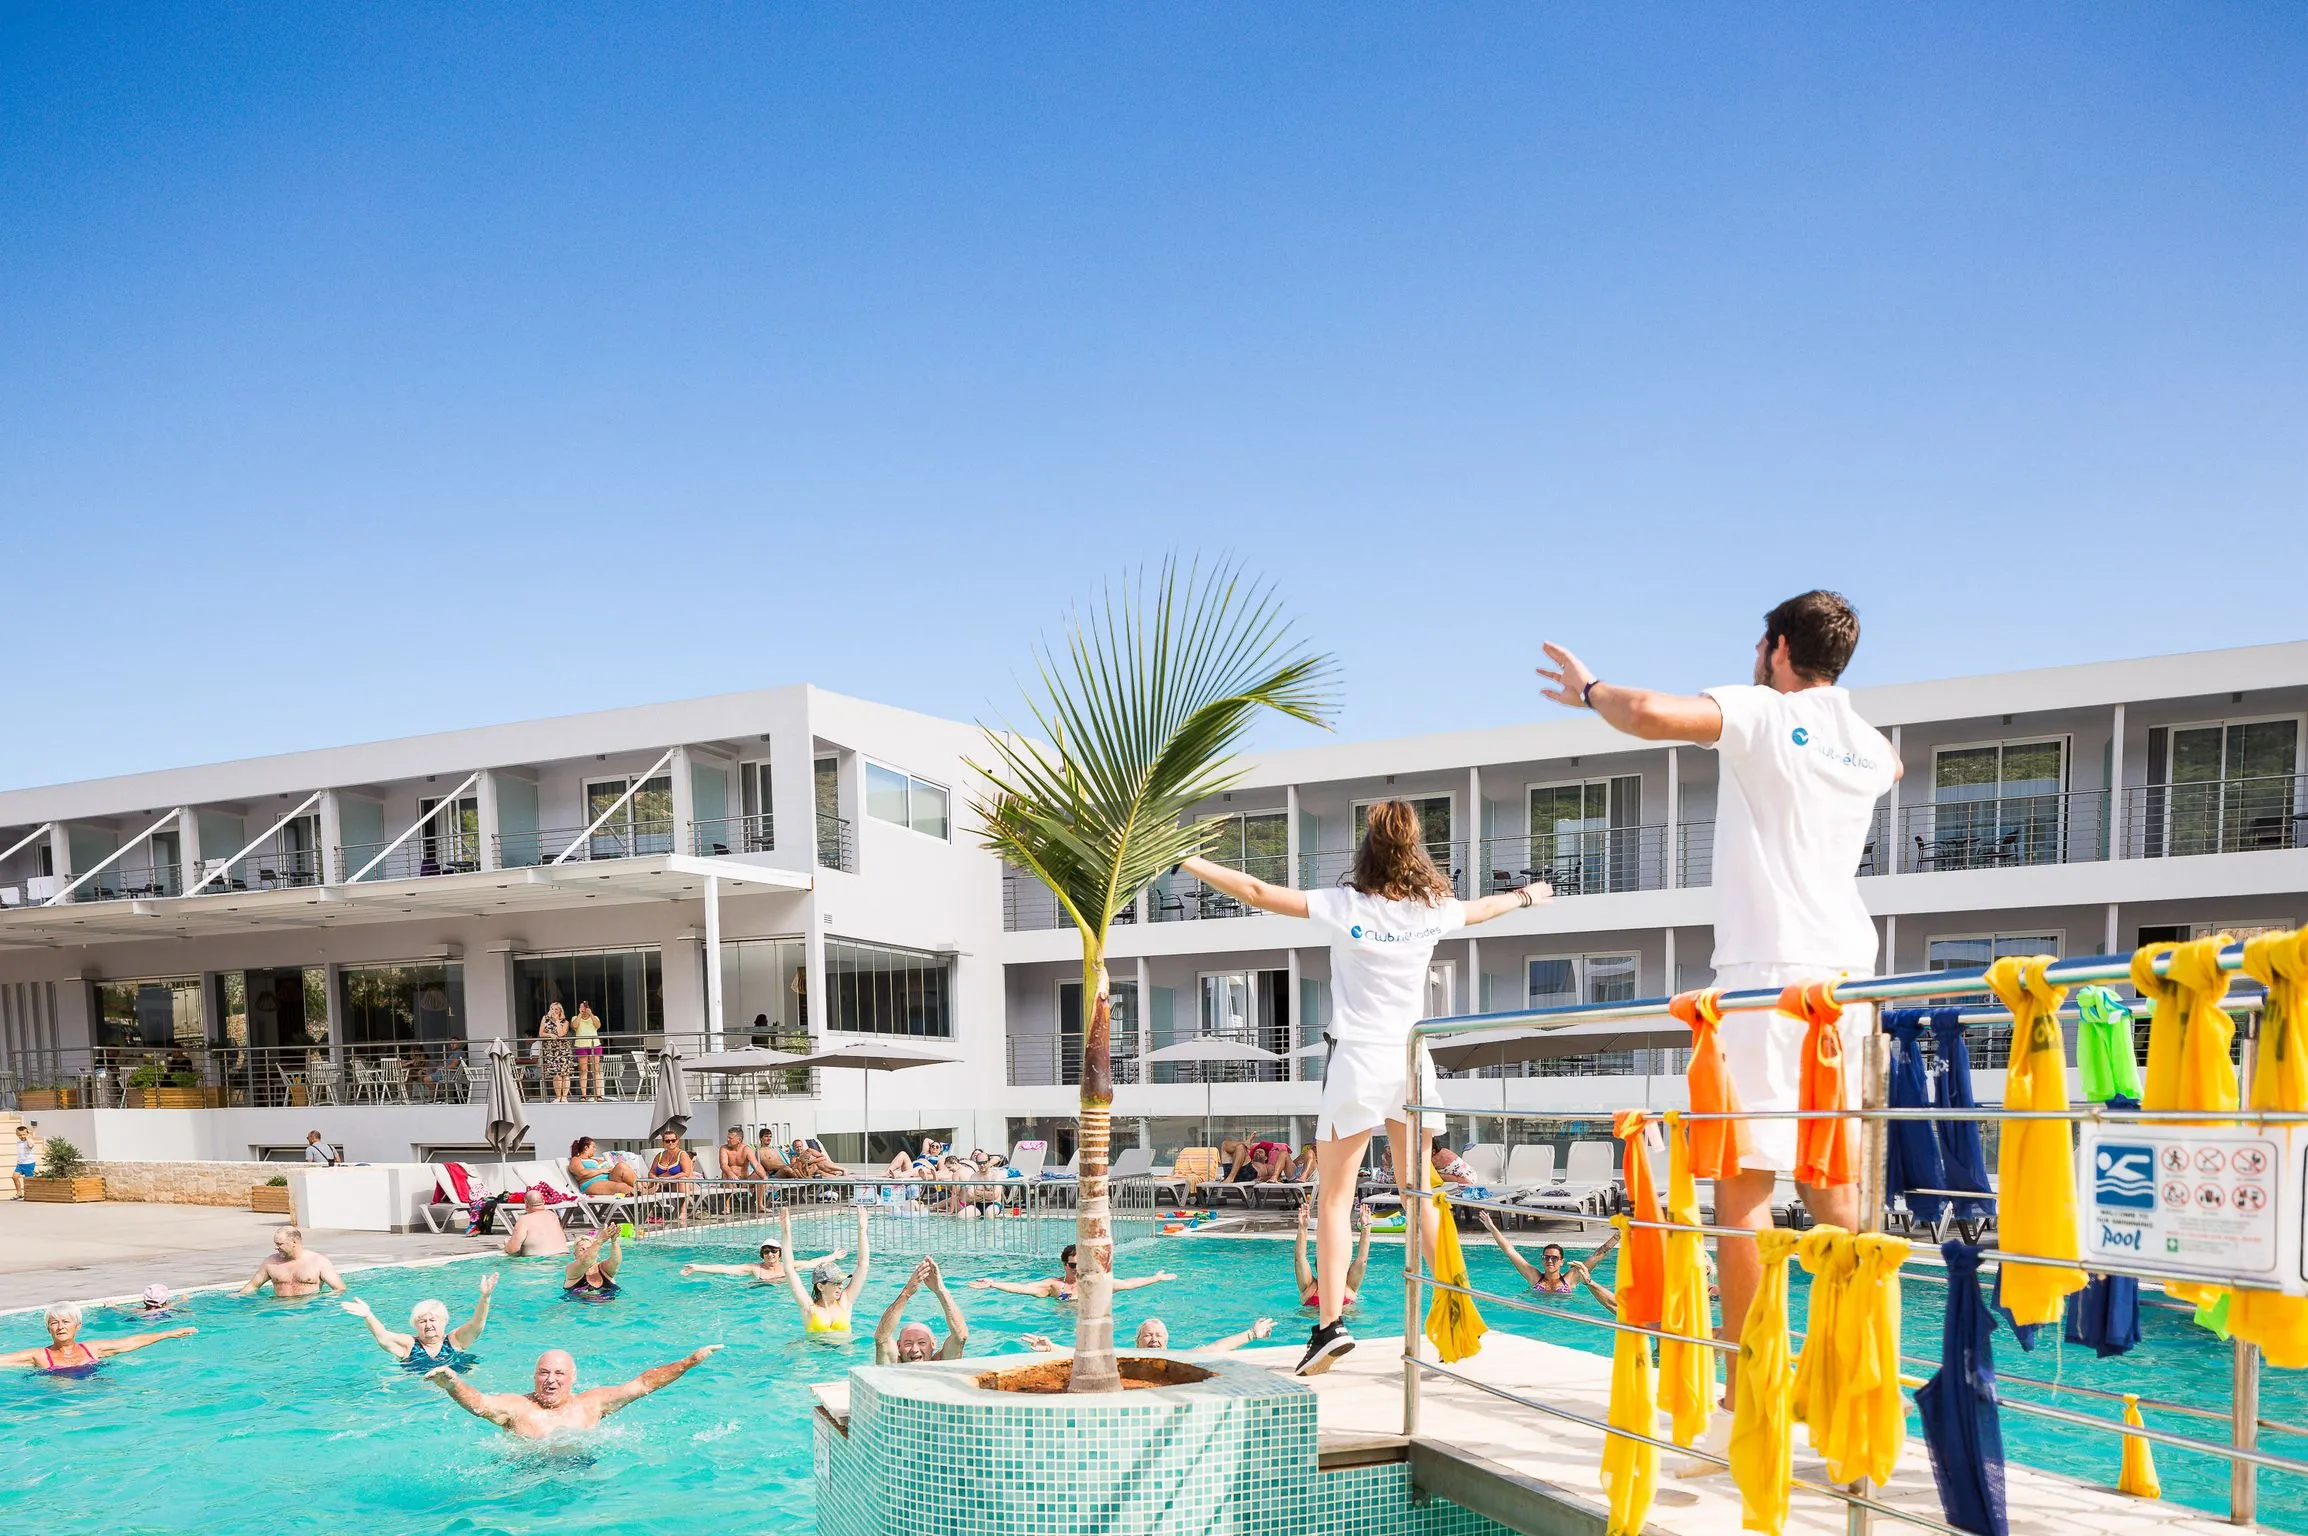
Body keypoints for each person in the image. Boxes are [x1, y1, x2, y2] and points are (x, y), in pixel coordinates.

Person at [1539, 591, 1898, 1422]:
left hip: (1767, 972)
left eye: (1760, 645)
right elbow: (1895, 769)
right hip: (1848, 977)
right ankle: (1856, 1370)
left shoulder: (1767, 713)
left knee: (1744, 1179)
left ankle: (1750, 1380)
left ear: (1779, 648)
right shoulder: (1870, 744)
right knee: (1832, 1179)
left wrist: (1589, 691)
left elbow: (1648, 713)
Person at [1179, 799, 1548, 1376]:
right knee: (1417, 1192)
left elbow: (1255, 890)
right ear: (1415, 851)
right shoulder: (1433, 910)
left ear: (1367, 850)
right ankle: (1456, 1315)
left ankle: (1330, 1326)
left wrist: (1187, 858)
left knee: (1334, 1197)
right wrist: (1529, 895)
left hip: (1357, 1057)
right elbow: (1484, 910)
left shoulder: (1344, 904)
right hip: (1411, 1058)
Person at [426, 1345, 721, 1439]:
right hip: (528, 1476)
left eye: (559, 1374)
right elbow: (479, 1404)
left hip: (582, 1473)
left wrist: (688, 1362)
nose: (550, 1380)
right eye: (544, 1373)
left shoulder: (591, 1404)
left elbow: (643, 1384)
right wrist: (453, 1385)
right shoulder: (518, 1407)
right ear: (534, 1376)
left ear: (572, 1378)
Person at [343, 1272, 495, 1370]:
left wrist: (485, 1298)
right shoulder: (409, 1345)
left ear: (444, 1321)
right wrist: (369, 1316)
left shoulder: (455, 1340)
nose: (428, 1325)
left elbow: (477, 1323)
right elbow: (383, 1336)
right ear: (415, 1325)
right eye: (422, 1321)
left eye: (433, 1320)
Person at [2, 1303, 194, 1375]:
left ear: (78, 1326)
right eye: (54, 1323)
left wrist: (166, 1334)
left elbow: (128, 1343)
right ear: (48, 1328)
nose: (60, 1327)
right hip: (60, 1403)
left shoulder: (92, 1349)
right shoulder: (39, 1356)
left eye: (66, 1322)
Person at [969, 1244, 1175, 1302]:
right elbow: (1023, 1288)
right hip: (1060, 1327)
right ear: (1064, 1265)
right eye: (1073, 1265)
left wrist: (1156, 1278)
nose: (1078, 1270)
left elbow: (1129, 1283)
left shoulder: (1096, 1284)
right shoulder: (1054, 1285)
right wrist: (993, 1283)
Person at [778, 1208, 870, 1336]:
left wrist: (862, 1230)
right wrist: (786, 1232)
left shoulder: (845, 1302)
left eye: (841, 1282)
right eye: (836, 1282)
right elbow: (789, 1269)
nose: (841, 1286)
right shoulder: (809, 1308)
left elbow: (863, 1265)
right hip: (816, 1349)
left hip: (844, 1349)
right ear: (820, 1286)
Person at [874, 1257, 968, 1363]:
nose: (915, 1350)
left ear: (933, 1344)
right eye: (908, 1344)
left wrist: (941, 1290)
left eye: (922, 1343)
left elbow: (960, 1337)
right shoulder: (894, 1364)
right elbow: (881, 1338)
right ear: (898, 1346)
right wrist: (906, 1293)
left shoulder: (941, 1363)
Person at [1026, 1317, 1273, 1354]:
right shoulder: (1126, 1357)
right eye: (1148, 1336)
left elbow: (1215, 1348)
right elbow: (1089, 1355)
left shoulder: (1178, 1357)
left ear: (1167, 1341)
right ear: (1137, 1342)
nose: (1154, 1339)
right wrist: (1052, 1347)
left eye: (1158, 1336)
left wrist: (1252, 1333)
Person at [1294, 1201, 1374, 1310]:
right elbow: (1299, 1258)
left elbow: (1362, 1260)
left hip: (1345, 1320)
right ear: (1318, 1266)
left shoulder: (1348, 1285)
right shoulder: (1309, 1286)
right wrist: (1303, 1227)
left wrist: (1366, 1228)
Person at [1474, 1212, 1578, 1295]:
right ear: (1542, 1260)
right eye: (1546, 1257)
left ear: (1562, 1261)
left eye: (1554, 1258)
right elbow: (1509, 1250)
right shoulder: (1534, 1277)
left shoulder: (1569, 1279)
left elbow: (1590, 1259)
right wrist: (1492, 1228)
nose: (1549, 1261)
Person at [680, 1235, 846, 1285]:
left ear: (779, 1253)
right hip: (759, 1292)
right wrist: (697, 1267)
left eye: (773, 1251)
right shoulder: (755, 1269)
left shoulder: (789, 1266)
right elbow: (725, 1269)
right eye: (766, 1252)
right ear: (762, 1254)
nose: (770, 1254)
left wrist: (833, 1256)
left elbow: (812, 1263)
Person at [236, 1224, 345, 1297]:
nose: (275, 1247)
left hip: (309, 1311)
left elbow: (339, 1289)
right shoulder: (271, 1262)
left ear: (293, 1242)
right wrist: (237, 1297)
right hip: (280, 1311)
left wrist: (321, 1301)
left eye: (279, 1244)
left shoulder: (318, 1262)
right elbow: (253, 1286)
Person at [645, 1129, 701, 1222]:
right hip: (662, 1184)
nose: (670, 1143)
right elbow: (651, 1172)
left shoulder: (682, 1155)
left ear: (677, 1141)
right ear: (663, 1143)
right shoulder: (660, 1155)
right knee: (646, 1185)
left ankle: (683, 1212)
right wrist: (656, 1179)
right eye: (667, 1141)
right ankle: (648, 1214)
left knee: (683, 1180)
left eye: (673, 1140)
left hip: (680, 1183)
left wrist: (669, 1179)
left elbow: (686, 1173)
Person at [563, 1228, 628, 1302]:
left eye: (589, 1248)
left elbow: (616, 1261)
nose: (586, 1251)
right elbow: (585, 1262)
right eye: (581, 1249)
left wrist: (614, 1240)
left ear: (596, 1252)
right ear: (575, 1254)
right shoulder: (571, 1270)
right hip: (580, 1307)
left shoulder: (603, 1269)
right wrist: (600, 1240)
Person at [500, 1190, 570, 1257]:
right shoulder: (553, 1216)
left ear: (526, 1205)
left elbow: (513, 1249)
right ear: (544, 1202)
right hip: (562, 1257)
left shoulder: (524, 1220)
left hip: (539, 1261)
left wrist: (507, 1245)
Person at [568, 1136, 640, 1199]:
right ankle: (641, 1194)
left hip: (609, 1178)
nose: (595, 1149)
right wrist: (602, 1170)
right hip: (591, 1183)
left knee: (621, 1166)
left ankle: (641, 1188)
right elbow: (581, 1173)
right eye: (593, 1147)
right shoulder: (576, 1159)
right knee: (622, 1187)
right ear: (586, 1147)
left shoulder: (596, 1159)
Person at [719, 1127, 768, 1210]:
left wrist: (764, 1177)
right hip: (730, 1180)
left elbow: (756, 1165)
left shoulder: (746, 1149)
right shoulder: (724, 1149)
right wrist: (730, 1173)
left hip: (744, 1180)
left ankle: (760, 1205)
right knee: (726, 1174)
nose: (727, 1140)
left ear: (739, 1140)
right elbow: (723, 1164)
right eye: (727, 1137)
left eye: (730, 1138)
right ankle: (727, 1207)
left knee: (759, 1175)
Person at [537, 1002, 575, 1105]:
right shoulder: (545, 1019)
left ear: (560, 1011)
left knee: (565, 1074)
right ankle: (558, 1097)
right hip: (551, 1050)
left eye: (556, 1009)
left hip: (563, 1050)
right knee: (556, 1074)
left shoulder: (565, 1022)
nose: (554, 1011)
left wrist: (557, 1020)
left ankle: (564, 1097)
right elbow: (541, 1033)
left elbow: (561, 1033)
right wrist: (550, 1035)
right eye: (552, 1009)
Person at [571, 1000, 605, 1101]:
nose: (583, 1009)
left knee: (596, 1070)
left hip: (594, 1044)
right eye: (581, 1007)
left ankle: (598, 1095)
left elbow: (598, 1025)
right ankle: (584, 1095)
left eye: (585, 1007)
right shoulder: (575, 1018)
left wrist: (591, 1014)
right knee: (583, 1070)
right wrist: (580, 1014)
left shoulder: (595, 1017)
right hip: (581, 1045)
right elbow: (574, 1026)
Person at [13, 1124, 37, 1197]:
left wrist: (28, 1138)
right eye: (20, 1135)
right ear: (17, 1135)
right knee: (14, 1177)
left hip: (29, 1164)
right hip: (20, 1164)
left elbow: (30, 1146)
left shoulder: (30, 1141)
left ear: (27, 1134)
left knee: (28, 1180)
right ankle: (19, 1193)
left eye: (24, 1134)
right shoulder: (18, 1143)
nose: (22, 1136)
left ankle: (31, 1194)